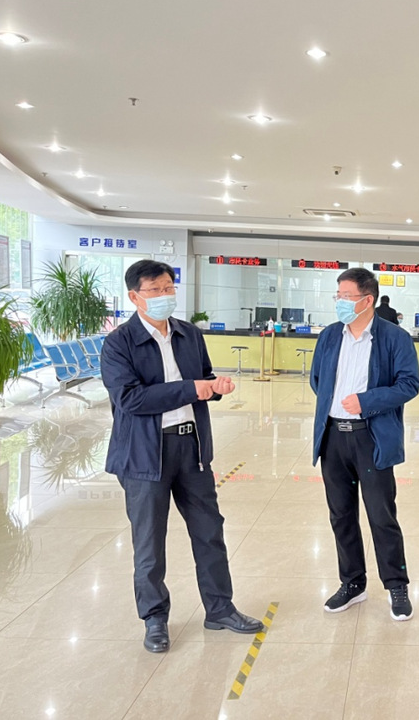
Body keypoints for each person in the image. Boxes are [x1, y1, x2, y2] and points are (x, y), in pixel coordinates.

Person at [100, 260, 264, 654]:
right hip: (144, 455)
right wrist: (192, 388)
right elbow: (130, 399)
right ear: (134, 297)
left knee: (210, 531)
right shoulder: (119, 343)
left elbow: (202, 378)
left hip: (191, 449)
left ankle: (220, 608)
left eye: (168, 288)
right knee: (149, 542)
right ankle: (154, 618)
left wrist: (215, 387)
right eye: (154, 290)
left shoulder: (189, 334)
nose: (164, 296)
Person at [309, 267, 419, 620]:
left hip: (371, 437)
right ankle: (352, 583)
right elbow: (317, 380)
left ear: (367, 300)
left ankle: (397, 585)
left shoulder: (394, 338)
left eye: (346, 297)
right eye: (338, 296)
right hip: (333, 437)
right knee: (341, 515)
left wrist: (366, 401)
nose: (340, 302)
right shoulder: (330, 335)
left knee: (381, 516)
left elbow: (409, 384)